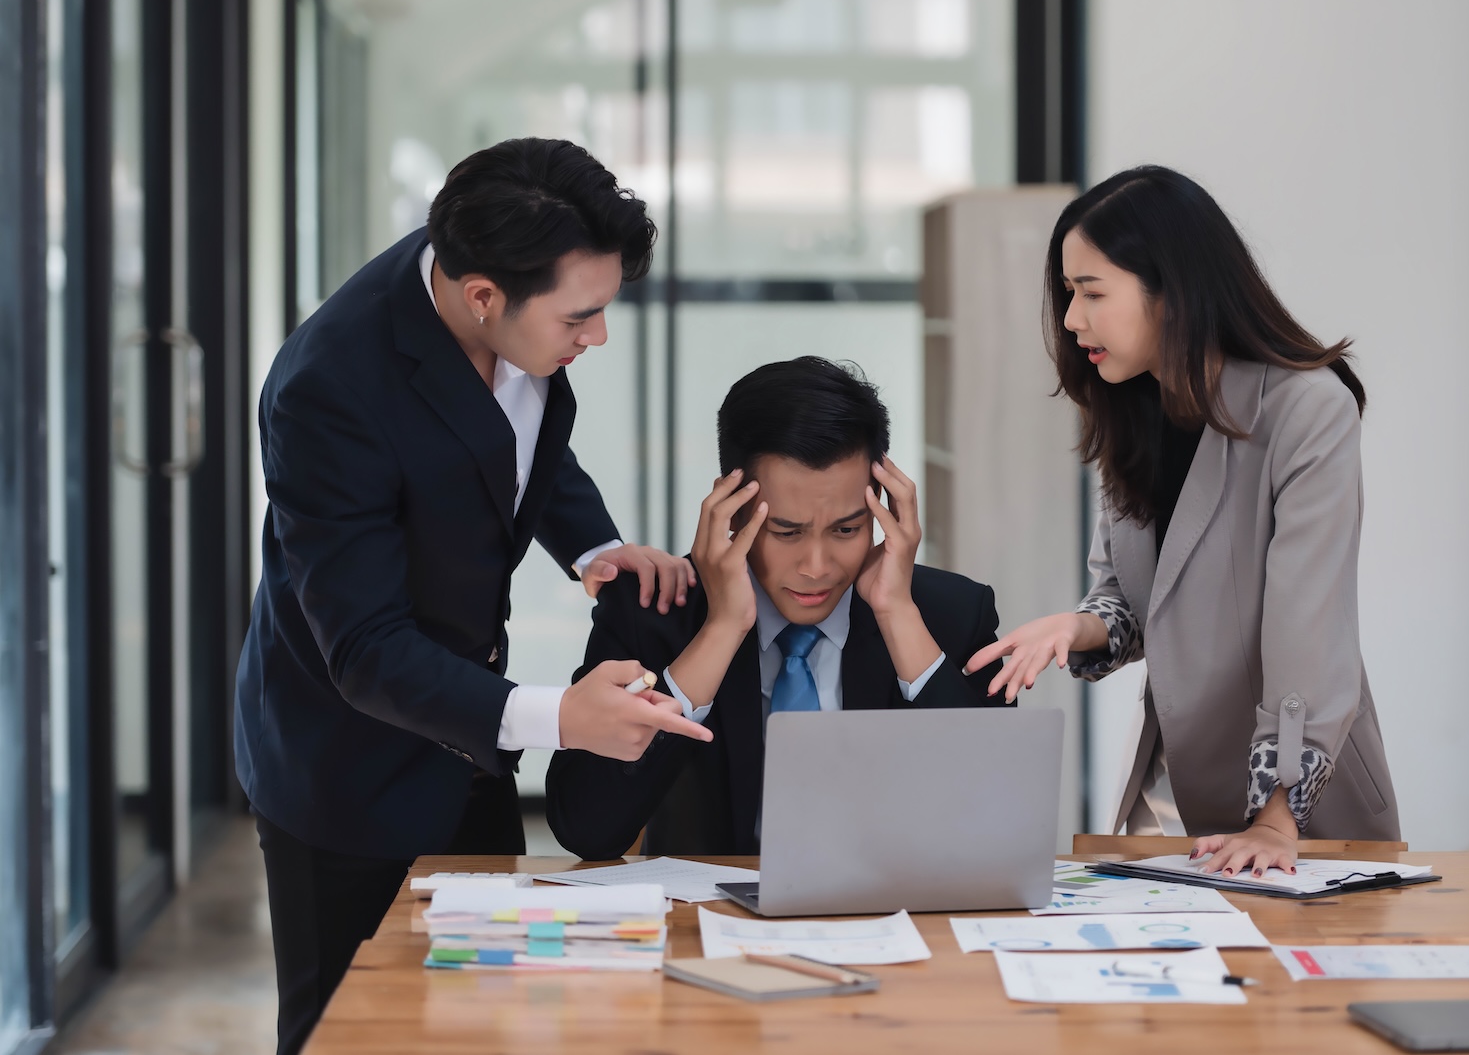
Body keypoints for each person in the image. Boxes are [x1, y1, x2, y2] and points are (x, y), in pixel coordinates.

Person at [235, 137, 712, 1055]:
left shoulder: (499, 281)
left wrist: (595, 546)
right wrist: (561, 718)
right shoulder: (326, 390)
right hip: (346, 760)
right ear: (483, 296)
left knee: (485, 1014)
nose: (597, 337)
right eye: (581, 317)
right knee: (351, 1028)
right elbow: (366, 648)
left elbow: (518, 439)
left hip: (469, 734)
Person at [966, 165, 1400, 877]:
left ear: (1170, 290)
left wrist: (1275, 817)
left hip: (1299, 812)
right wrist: (1073, 626)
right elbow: (1133, 600)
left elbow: (1309, 628)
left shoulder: (1306, 409)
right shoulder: (1133, 407)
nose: (1072, 319)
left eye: (1091, 293)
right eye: (1068, 294)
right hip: (1173, 799)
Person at [545, 356, 1010, 858]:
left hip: (897, 921)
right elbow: (587, 829)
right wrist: (721, 628)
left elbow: (998, 820)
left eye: (847, 529)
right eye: (786, 532)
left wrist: (897, 615)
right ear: (730, 510)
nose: (817, 566)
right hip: (710, 923)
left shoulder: (953, 614)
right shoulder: (656, 613)